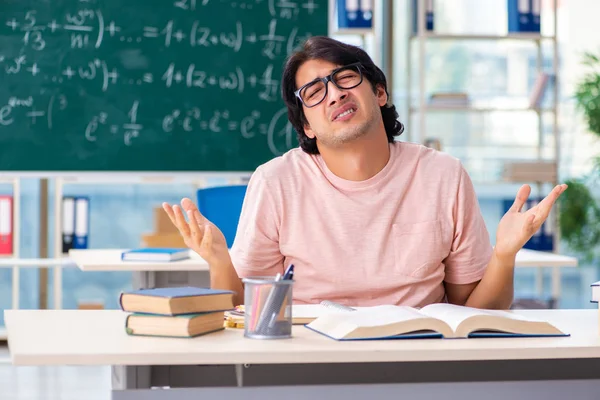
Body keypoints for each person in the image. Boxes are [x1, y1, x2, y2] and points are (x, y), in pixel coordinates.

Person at [162, 36, 567, 309]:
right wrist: (219, 259)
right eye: (314, 92)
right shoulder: (275, 182)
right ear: (305, 125)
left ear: (379, 92)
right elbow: (243, 309)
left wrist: (504, 256)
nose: (335, 93)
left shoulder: (443, 175)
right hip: (309, 364)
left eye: (345, 78)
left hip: (420, 364)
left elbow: (473, 313)